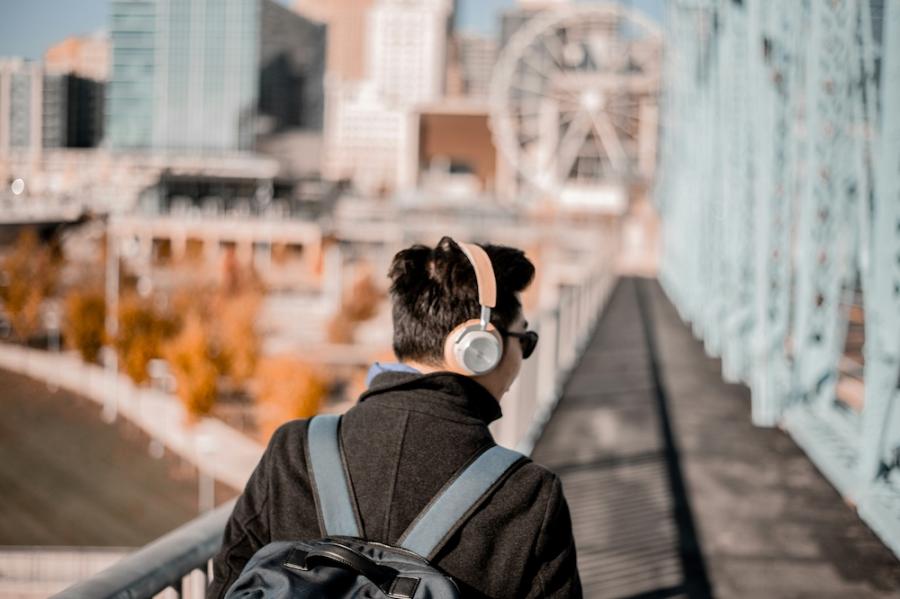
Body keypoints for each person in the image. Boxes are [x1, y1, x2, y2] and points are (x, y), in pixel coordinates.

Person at [208, 237, 582, 598]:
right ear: (480, 348)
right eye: (525, 341)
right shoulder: (529, 496)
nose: (524, 356)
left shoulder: (293, 451)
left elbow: (227, 585)